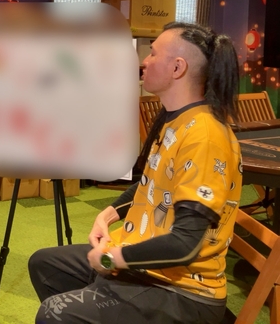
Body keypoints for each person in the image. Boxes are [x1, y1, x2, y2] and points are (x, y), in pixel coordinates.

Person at [28, 22, 242, 324]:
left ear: (177, 67)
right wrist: (107, 215)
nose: (144, 61)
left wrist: (112, 258)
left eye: (153, 53)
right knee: (45, 264)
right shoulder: (177, 120)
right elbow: (152, 184)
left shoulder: (205, 136)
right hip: (147, 266)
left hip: (183, 292)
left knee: (54, 313)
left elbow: (185, 244)